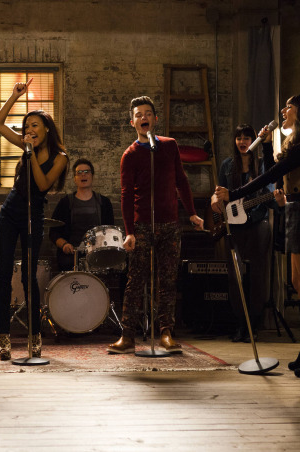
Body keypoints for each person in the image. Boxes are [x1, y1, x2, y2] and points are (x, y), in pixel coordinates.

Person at [215, 94, 300, 379]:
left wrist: (234, 193)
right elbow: (276, 176)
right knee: (298, 283)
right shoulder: (296, 146)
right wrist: (267, 145)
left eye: (289, 106)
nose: (283, 110)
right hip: (295, 211)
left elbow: (268, 177)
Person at [108, 96, 204, 355]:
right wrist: (129, 231)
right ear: (132, 122)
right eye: (138, 114)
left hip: (169, 224)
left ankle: (166, 333)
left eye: (148, 113)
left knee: (168, 280)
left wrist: (192, 213)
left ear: (155, 119)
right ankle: (127, 335)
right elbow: (126, 195)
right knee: (135, 281)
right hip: (142, 226)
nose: (144, 117)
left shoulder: (169, 146)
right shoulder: (129, 155)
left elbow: (181, 181)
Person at [0, 78, 68, 360]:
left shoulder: (60, 156)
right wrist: (14, 96)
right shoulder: (25, 145)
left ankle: (35, 335)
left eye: (34, 125)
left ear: (46, 128)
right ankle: (3, 337)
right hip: (10, 211)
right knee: (3, 275)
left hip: (33, 215)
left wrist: (31, 153)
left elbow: (43, 183)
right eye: (26, 127)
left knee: (28, 277)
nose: (29, 130)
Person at [211, 124, 275, 342]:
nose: (242, 142)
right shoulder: (227, 165)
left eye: (247, 138)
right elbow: (219, 192)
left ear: (253, 141)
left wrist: (268, 203)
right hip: (233, 225)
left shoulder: (263, 165)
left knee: (258, 274)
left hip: (258, 223)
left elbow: (269, 196)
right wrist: (215, 201)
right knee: (235, 276)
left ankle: (253, 325)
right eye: (239, 138)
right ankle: (240, 323)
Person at [49, 158, 115, 272]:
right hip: (71, 256)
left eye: (86, 172)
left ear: (92, 176)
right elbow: (53, 233)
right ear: (74, 178)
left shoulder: (104, 203)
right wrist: (64, 245)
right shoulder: (65, 203)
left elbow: (110, 231)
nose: (83, 175)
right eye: (79, 172)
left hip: (97, 255)